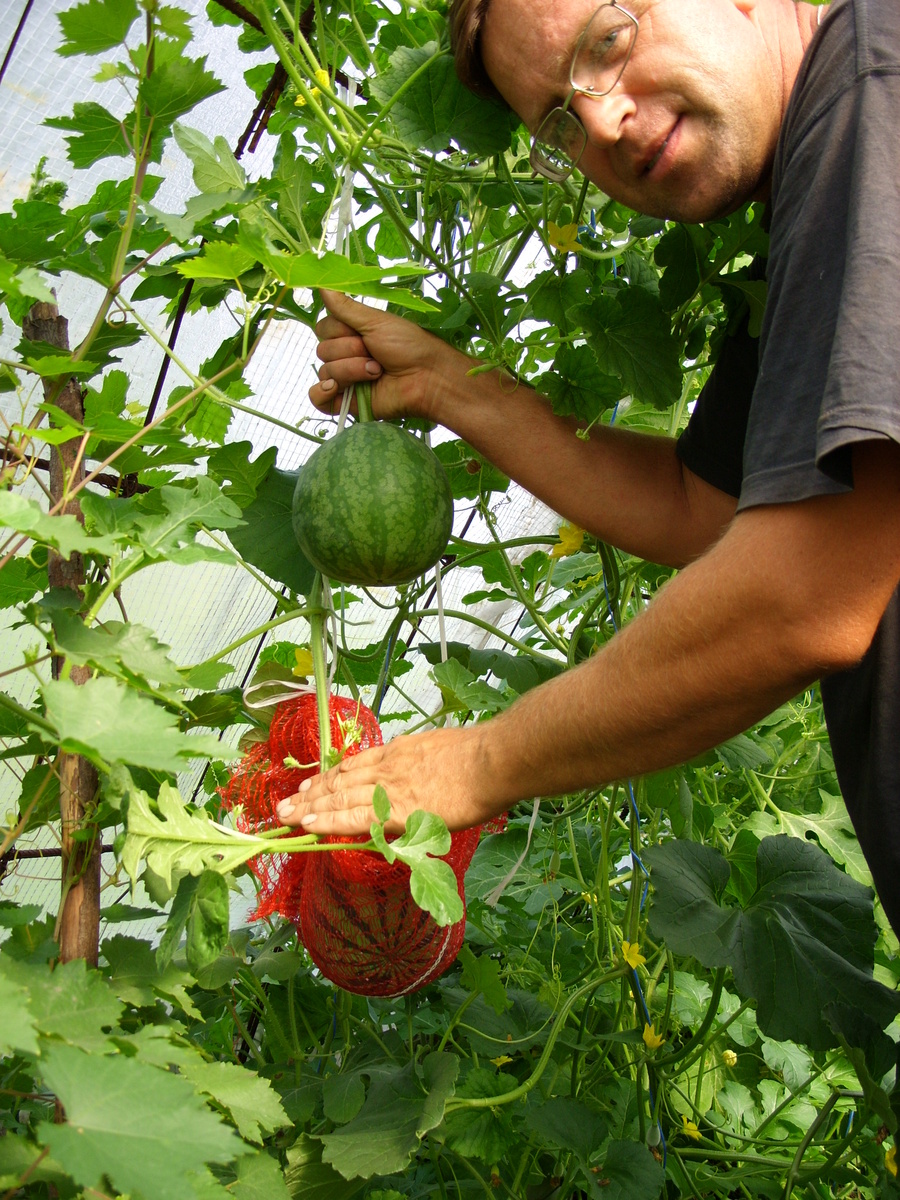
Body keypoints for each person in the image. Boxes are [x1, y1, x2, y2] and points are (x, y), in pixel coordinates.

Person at [277, 0, 900, 933]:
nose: (602, 123)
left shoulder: (869, 97)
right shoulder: (822, 180)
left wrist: (480, 762)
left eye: (609, 43)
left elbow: (805, 591)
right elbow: (701, 508)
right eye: (559, 124)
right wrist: (452, 385)